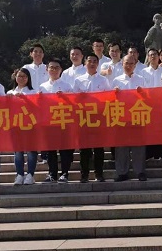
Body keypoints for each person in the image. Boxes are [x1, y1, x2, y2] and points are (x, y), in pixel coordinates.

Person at [74, 54, 112, 183]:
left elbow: (108, 97)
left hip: (98, 118)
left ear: (98, 64)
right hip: (84, 118)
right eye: (89, 61)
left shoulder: (103, 80)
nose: (92, 63)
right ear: (85, 63)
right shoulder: (78, 80)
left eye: (95, 61)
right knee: (84, 148)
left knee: (99, 148)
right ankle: (84, 174)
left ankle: (99, 174)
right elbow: (74, 99)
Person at [39, 58, 75, 183]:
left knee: (65, 150)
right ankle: (52, 174)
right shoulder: (42, 87)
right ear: (47, 69)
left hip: (64, 122)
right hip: (49, 123)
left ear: (61, 70)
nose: (54, 70)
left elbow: (74, 104)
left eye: (56, 67)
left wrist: (65, 98)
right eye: (51, 67)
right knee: (51, 150)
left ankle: (65, 173)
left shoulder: (67, 86)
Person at [112, 55, 148, 181]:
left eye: (131, 63)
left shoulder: (141, 79)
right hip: (121, 118)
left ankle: (140, 172)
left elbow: (148, 98)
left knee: (139, 147)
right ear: (122, 64)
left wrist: (142, 93)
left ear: (135, 65)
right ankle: (122, 172)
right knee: (121, 147)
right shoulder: (116, 81)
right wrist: (114, 93)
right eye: (126, 63)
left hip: (137, 116)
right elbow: (110, 100)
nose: (128, 66)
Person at [7, 68, 37, 185]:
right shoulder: (10, 93)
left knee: (31, 151)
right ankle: (19, 174)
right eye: (19, 76)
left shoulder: (33, 92)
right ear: (15, 77)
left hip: (30, 125)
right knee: (18, 151)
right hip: (16, 125)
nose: (22, 78)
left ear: (28, 78)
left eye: (24, 76)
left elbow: (37, 107)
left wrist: (25, 98)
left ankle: (30, 174)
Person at [143, 49, 162, 160]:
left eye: (155, 55)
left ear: (159, 57)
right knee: (149, 130)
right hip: (147, 105)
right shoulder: (143, 72)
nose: (153, 57)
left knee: (161, 129)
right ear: (148, 57)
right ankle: (149, 153)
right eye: (151, 55)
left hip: (161, 105)